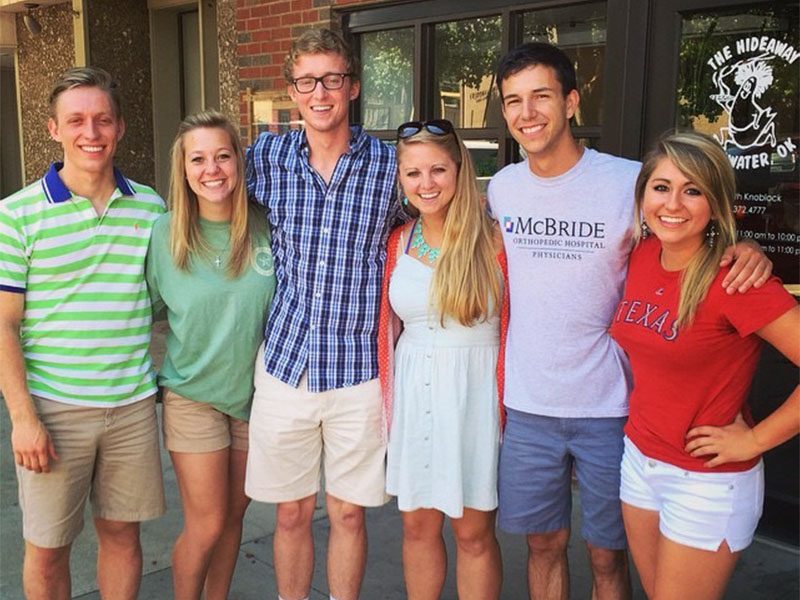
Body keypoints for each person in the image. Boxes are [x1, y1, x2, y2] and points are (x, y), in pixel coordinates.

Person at [487, 42, 774, 600]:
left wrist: (744, 247)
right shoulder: (502, 187)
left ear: (571, 102)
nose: (527, 113)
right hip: (527, 405)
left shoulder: (627, 182)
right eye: (513, 101)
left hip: (613, 406)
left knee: (606, 555)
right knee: (542, 546)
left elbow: (687, 227)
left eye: (541, 96)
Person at [244, 28, 402, 600]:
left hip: (359, 369)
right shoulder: (266, 156)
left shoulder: (390, 166)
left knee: (350, 515)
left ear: (352, 86)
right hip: (286, 363)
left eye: (332, 79)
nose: (320, 93)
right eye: (307, 81)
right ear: (292, 90)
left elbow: (439, 224)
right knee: (288, 515)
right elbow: (207, 189)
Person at [610, 132, 798, 600]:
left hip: (706, 481)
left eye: (693, 190)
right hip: (639, 460)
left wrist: (755, 439)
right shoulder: (641, 255)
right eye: (661, 186)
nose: (673, 203)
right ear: (643, 196)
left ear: (716, 204)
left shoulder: (739, 281)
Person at [0, 67, 166, 600]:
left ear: (119, 127)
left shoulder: (152, 207)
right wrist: (23, 417)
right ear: (53, 128)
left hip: (132, 405)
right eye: (76, 120)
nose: (90, 132)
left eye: (102, 120)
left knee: (122, 534)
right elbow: (3, 322)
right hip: (55, 407)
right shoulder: (15, 215)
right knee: (48, 548)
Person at [145, 110, 276, 600]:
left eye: (223, 155)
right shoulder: (164, 235)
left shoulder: (267, 225)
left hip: (256, 397)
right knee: (207, 522)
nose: (212, 169)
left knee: (235, 516)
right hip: (192, 395)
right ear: (183, 169)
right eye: (197, 158)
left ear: (239, 162)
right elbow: (138, 308)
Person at [378, 119, 508, 600]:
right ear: (401, 179)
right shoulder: (399, 241)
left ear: (459, 169)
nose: (426, 183)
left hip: (474, 397)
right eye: (413, 173)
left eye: (438, 170)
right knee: (418, 529)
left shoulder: (495, 239)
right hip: (414, 396)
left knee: (473, 534)